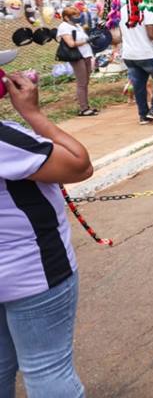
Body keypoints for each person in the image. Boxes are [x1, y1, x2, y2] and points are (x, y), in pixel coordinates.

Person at [1, 49, 93, 397]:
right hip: (31, 272)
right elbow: (78, 164)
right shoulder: (6, 141)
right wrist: (33, 114)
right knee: (46, 367)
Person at [56, 5, 97, 116]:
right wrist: (87, 40)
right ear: (66, 17)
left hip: (86, 55)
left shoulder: (77, 25)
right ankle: (83, 108)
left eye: (78, 15)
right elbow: (71, 44)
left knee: (86, 81)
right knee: (82, 83)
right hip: (77, 56)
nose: (77, 17)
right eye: (74, 15)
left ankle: (86, 105)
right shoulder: (64, 27)